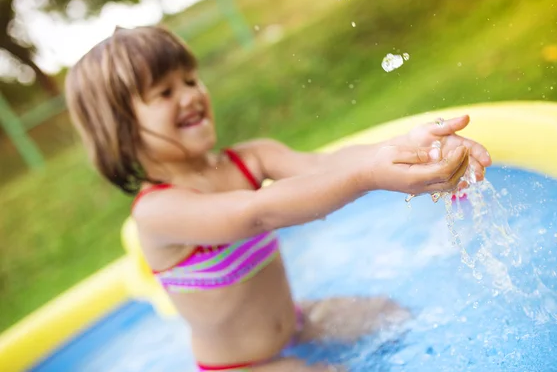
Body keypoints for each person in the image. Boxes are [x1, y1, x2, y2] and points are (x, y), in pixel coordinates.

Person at [65, 26, 492, 371]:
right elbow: (255, 213)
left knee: (393, 314)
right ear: (123, 129)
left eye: (191, 80)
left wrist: (406, 145)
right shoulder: (159, 211)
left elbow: (326, 164)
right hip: (239, 366)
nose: (191, 95)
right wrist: (367, 177)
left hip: (297, 322)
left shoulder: (250, 158)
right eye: (165, 92)